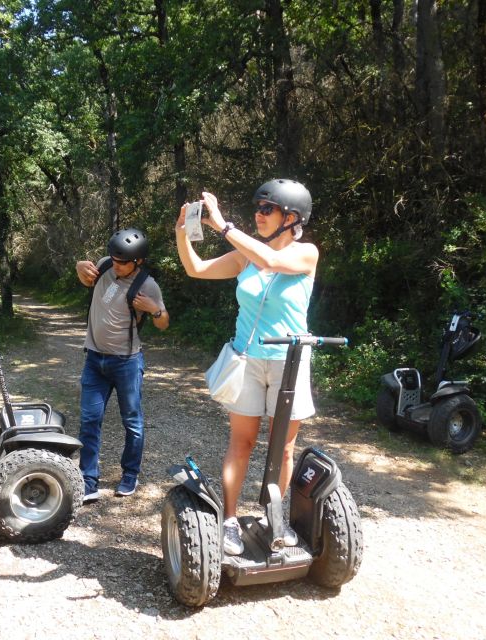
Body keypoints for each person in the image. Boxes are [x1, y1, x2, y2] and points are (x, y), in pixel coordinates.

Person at [174, 179, 319, 555]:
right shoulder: (245, 256)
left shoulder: (306, 254)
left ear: (292, 218)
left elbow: (271, 260)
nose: (259, 214)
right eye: (257, 207)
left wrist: (223, 223)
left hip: (290, 362)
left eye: (267, 209)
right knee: (242, 442)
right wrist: (182, 234)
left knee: (283, 449)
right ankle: (230, 521)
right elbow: (197, 269)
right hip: (247, 360)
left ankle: (275, 517)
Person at [75, 228, 169, 503]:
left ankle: (130, 474)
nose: (116, 265)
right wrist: (79, 265)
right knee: (89, 421)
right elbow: (86, 278)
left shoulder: (147, 285)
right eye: (114, 260)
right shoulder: (106, 265)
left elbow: (163, 324)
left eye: (122, 262)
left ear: (137, 261)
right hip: (94, 359)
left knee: (132, 422)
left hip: (126, 363)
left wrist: (155, 310)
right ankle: (88, 481)